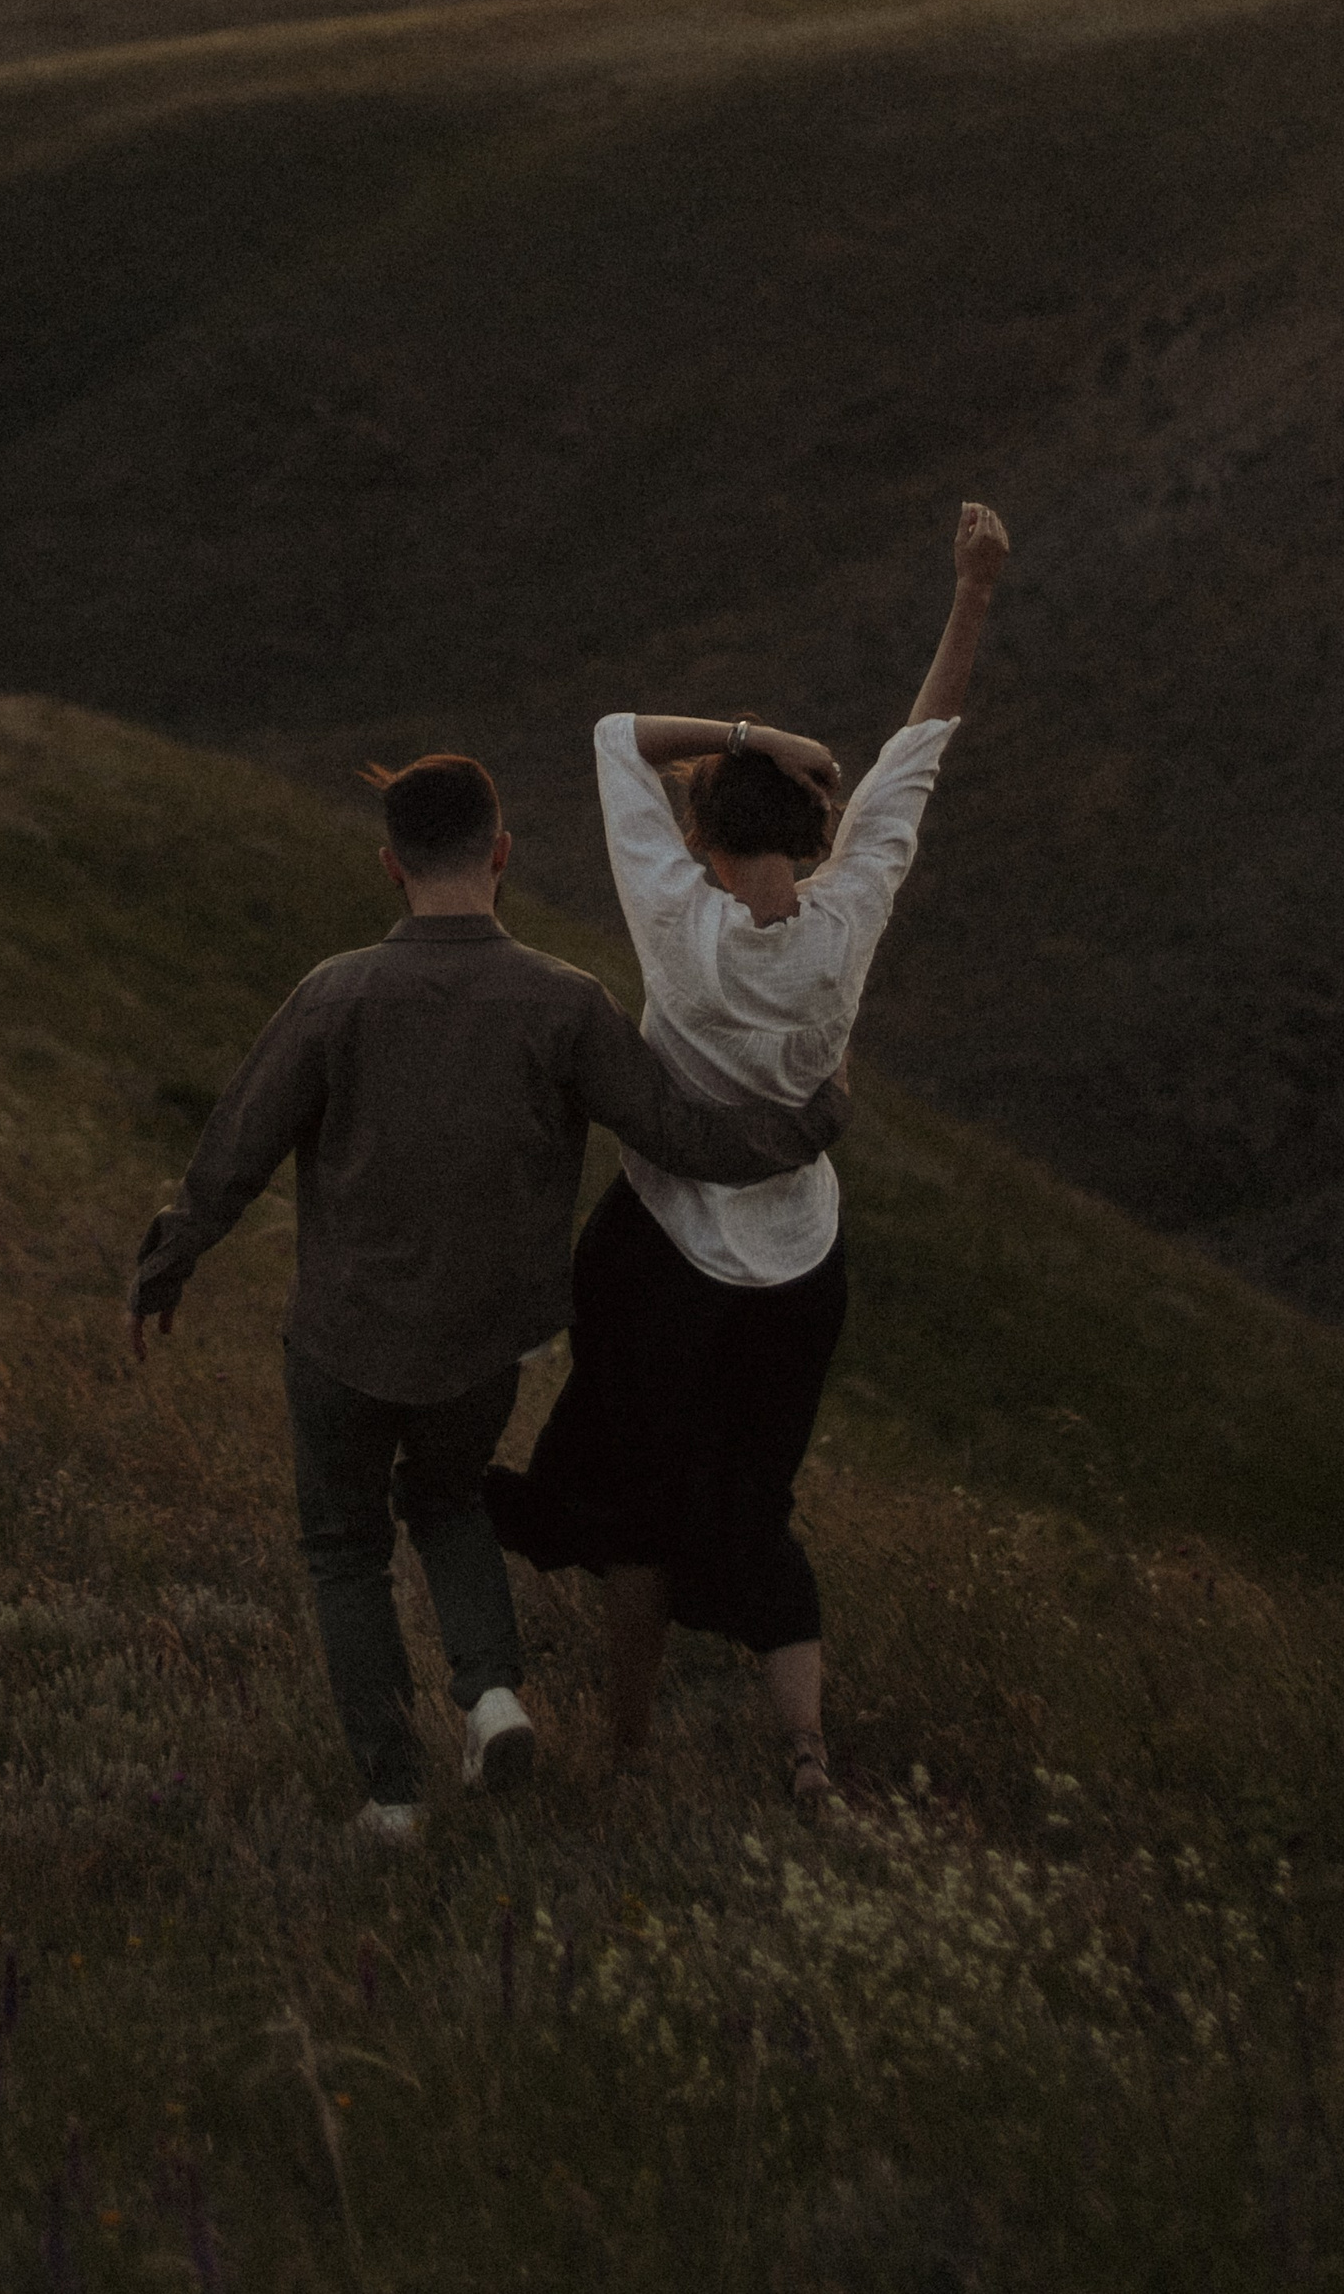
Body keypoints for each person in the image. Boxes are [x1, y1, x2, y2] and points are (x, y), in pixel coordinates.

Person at [128, 751, 856, 1843]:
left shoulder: (332, 995)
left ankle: (392, 1794)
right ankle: (491, 1693)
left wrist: (167, 1260)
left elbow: (236, 1144)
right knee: (451, 1501)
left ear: (390, 866)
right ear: (501, 854)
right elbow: (683, 1137)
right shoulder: (564, 1003)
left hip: (340, 1336)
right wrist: (810, 1121)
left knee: (343, 1549)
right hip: (480, 1345)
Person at [484, 502, 1011, 1803]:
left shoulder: (680, 922)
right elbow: (919, 744)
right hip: (801, 1260)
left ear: (710, 850)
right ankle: (809, 1759)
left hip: (666, 1252)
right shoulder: (850, 915)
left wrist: (751, 736)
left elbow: (614, 735)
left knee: (631, 1512)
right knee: (752, 1506)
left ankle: (627, 1748)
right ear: (814, 841)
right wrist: (975, 588)